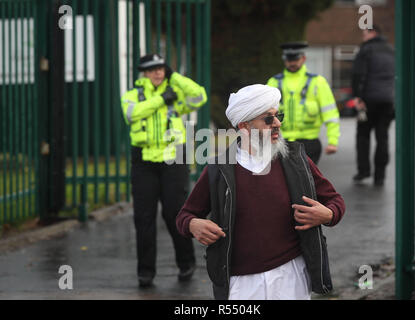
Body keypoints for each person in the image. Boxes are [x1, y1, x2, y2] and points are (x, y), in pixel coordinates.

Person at [176, 84, 345, 300]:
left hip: (291, 273)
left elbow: (334, 200)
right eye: (268, 119)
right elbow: (185, 216)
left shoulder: (296, 160)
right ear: (244, 125)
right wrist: (193, 225)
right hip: (241, 282)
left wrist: (329, 214)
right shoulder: (219, 168)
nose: (277, 123)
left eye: (278, 115)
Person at [121, 54, 207, 287]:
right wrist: (161, 99)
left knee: (175, 213)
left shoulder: (176, 94)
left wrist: (175, 77)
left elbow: (200, 95)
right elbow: (131, 115)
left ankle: (186, 262)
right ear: (144, 73)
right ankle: (145, 272)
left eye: (161, 69)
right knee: (144, 218)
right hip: (144, 162)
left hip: (174, 160)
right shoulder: (132, 96)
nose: (158, 73)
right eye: (152, 69)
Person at [266, 42, 340, 164]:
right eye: (289, 59)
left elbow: (330, 114)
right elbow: (264, 114)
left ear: (303, 58)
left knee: (306, 180)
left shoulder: (318, 82)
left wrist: (333, 141)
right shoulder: (273, 82)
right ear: (284, 60)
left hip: (309, 142)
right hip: (281, 141)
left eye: (295, 59)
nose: (292, 63)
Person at [351, 25, 395, 186]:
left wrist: (358, 96)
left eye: (365, 34)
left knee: (363, 136)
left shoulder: (366, 49)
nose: (363, 37)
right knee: (382, 138)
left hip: (368, 101)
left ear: (373, 33)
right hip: (387, 101)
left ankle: (364, 171)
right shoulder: (392, 50)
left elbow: (358, 74)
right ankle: (380, 176)